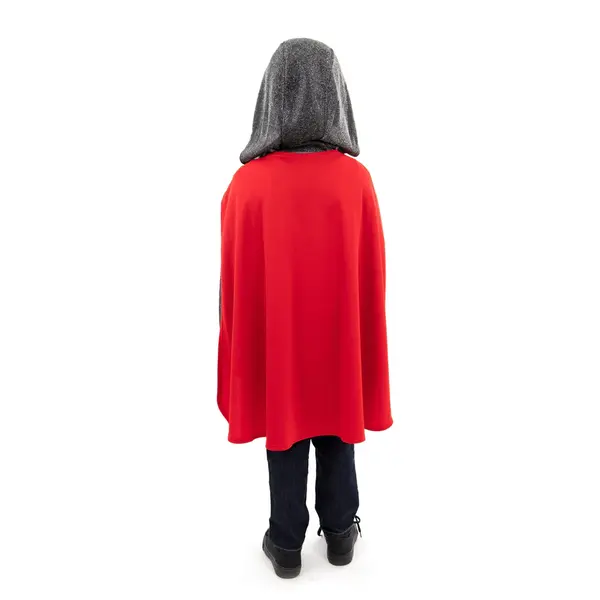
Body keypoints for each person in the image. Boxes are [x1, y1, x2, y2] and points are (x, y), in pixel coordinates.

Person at [217, 38, 392, 579]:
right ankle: (340, 533)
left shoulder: (246, 186)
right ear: (335, 95)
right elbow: (372, 278)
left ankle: (286, 541)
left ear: (272, 94)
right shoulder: (356, 182)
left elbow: (234, 283)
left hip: (280, 344)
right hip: (339, 341)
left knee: (286, 420)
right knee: (337, 415)